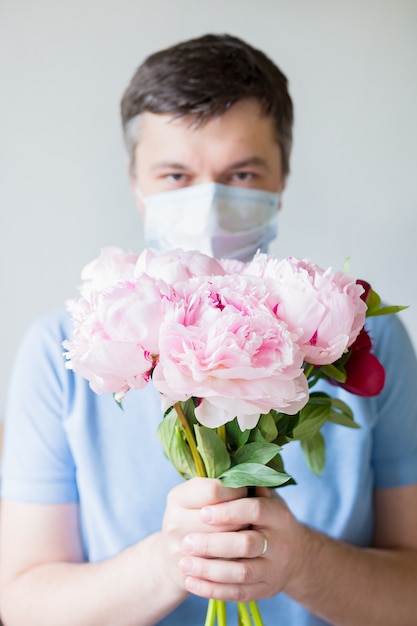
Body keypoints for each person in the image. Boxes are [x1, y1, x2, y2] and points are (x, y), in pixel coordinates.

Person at [1, 33, 417, 626]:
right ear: (135, 183)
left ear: (282, 178)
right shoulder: (63, 352)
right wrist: (167, 566)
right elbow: (21, 603)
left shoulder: (350, 336)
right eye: (175, 176)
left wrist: (302, 565)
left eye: (242, 174)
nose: (206, 208)